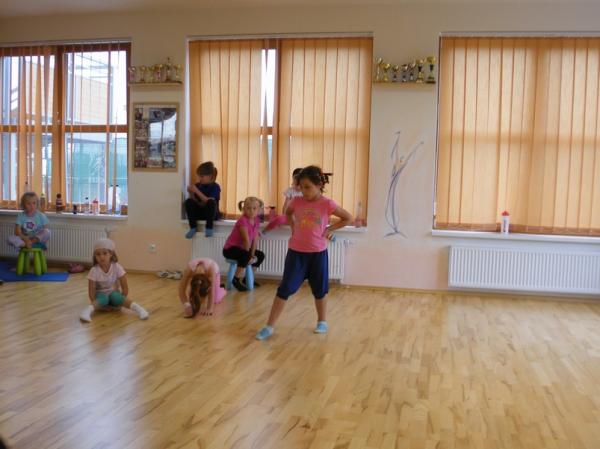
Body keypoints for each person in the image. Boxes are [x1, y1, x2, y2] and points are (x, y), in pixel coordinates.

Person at [256, 166, 352, 340]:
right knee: (284, 289)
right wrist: (293, 226)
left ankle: (322, 321)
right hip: (296, 253)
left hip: (318, 254)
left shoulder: (327, 204)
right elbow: (288, 213)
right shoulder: (296, 201)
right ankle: (269, 326)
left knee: (320, 290)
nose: (303, 191)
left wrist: (329, 229)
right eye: (301, 187)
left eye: (307, 187)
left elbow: (348, 218)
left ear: (319, 185)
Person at [79, 238, 149, 322]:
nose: (101, 256)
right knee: (103, 299)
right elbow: (91, 292)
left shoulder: (117, 267)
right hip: (100, 296)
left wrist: (121, 302)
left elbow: (124, 287)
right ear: (95, 256)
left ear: (111, 254)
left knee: (116, 297)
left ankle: (140, 309)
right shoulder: (94, 270)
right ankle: (87, 311)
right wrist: (98, 307)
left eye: (105, 253)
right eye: (98, 254)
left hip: (112, 293)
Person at [222, 196, 266, 292]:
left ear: (258, 210)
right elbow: (246, 240)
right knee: (246, 255)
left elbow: (255, 238)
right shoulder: (242, 221)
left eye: (254, 208)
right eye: (248, 208)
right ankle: (236, 279)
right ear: (244, 209)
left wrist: (252, 254)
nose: (251, 211)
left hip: (242, 249)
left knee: (260, 255)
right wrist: (249, 256)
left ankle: (246, 279)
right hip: (230, 249)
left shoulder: (256, 220)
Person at [184, 161, 221, 238]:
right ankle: (193, 228)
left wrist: (196, 191)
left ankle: (209, 228)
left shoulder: (216, 187)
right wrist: (191, 193)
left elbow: (208, 201)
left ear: (210, 176)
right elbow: (196, 202)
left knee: (211, 202)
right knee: (188, 201)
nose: (199, 179)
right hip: (201, 213)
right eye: (199, 176)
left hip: (211, 215)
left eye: (202, 176)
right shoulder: (198, 185)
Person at [263, 167, 303, 234]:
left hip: (301, 217)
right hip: (291, 215)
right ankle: (265, 230)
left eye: (299, 185)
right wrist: (284, 215)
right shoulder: (290, 191)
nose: (297, 187)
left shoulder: (306, 192)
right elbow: (286, 204)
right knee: (279, 218)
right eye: (295, 184)